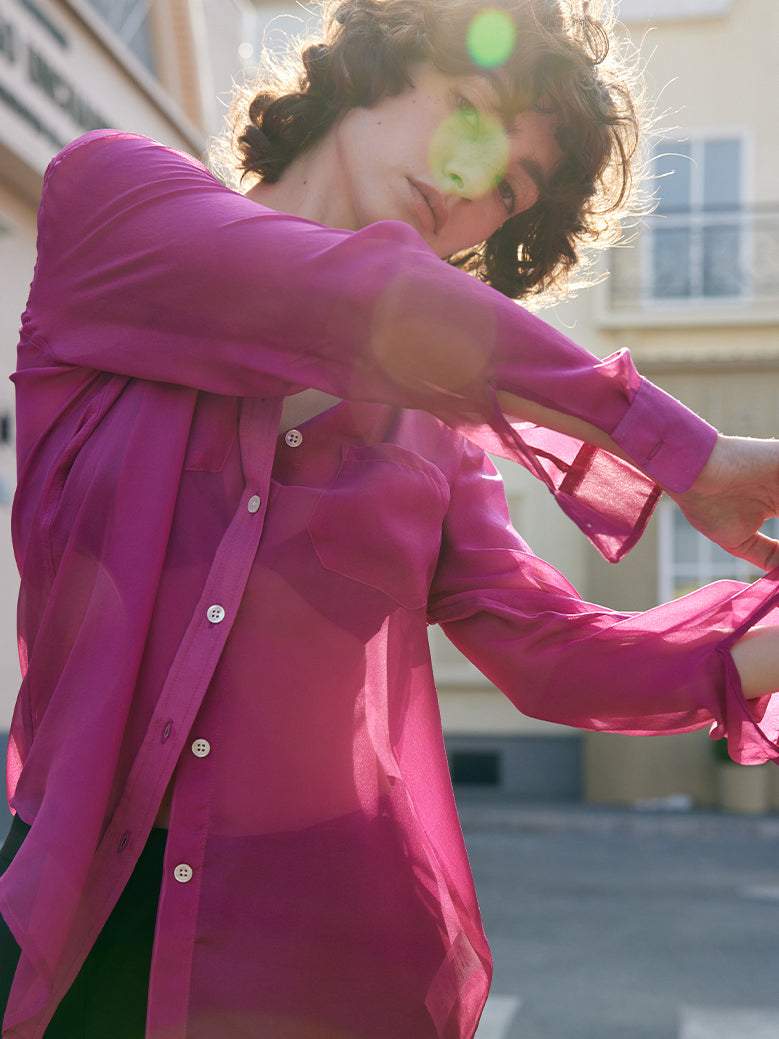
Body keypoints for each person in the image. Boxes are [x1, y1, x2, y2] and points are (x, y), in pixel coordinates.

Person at [2, 0, 779, 1036]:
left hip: (328, 964)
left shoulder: (437, 439)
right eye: (466, 109)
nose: (470, 184)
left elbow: (552, 652)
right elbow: (354, 297)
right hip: (71, 923)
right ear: (375, 64)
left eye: (507, 188)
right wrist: (689, 454)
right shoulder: (114, 208)